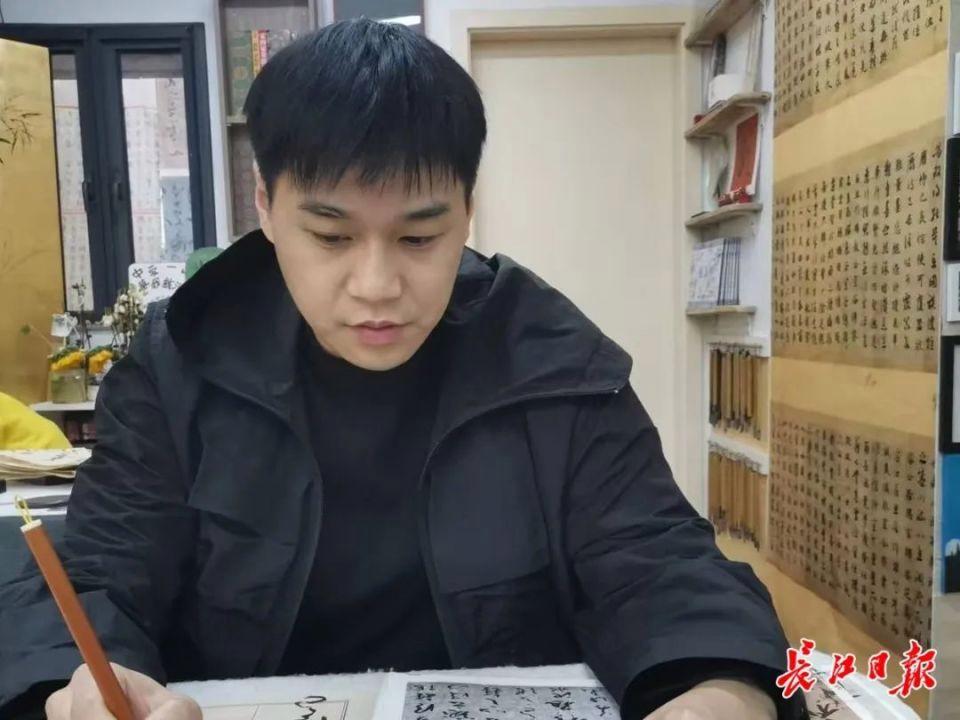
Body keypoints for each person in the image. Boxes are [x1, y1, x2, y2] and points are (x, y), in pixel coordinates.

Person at [0, 19, 807, 720]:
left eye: (420, 238)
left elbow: (658, 563)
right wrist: (86, 686)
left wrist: (721, 690)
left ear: (467, 209)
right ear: (266, 206)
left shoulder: (551, 358)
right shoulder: (181, 362)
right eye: (332, 236)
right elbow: (100, 577)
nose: (378, 285)